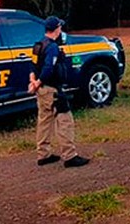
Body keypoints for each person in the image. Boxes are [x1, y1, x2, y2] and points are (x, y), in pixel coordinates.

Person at [28, 16, 90, 168]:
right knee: (65, 120)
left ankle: (43, 154)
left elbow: (32, 66)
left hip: (41, 91)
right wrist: (39, 82)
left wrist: (34, 83)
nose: (61, 30)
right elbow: (48, 68)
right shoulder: (52, 47)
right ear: (56, 29)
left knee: (44, 120)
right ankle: (70, 156)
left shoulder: (38, 45)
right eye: (59, 27)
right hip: (52, 90)